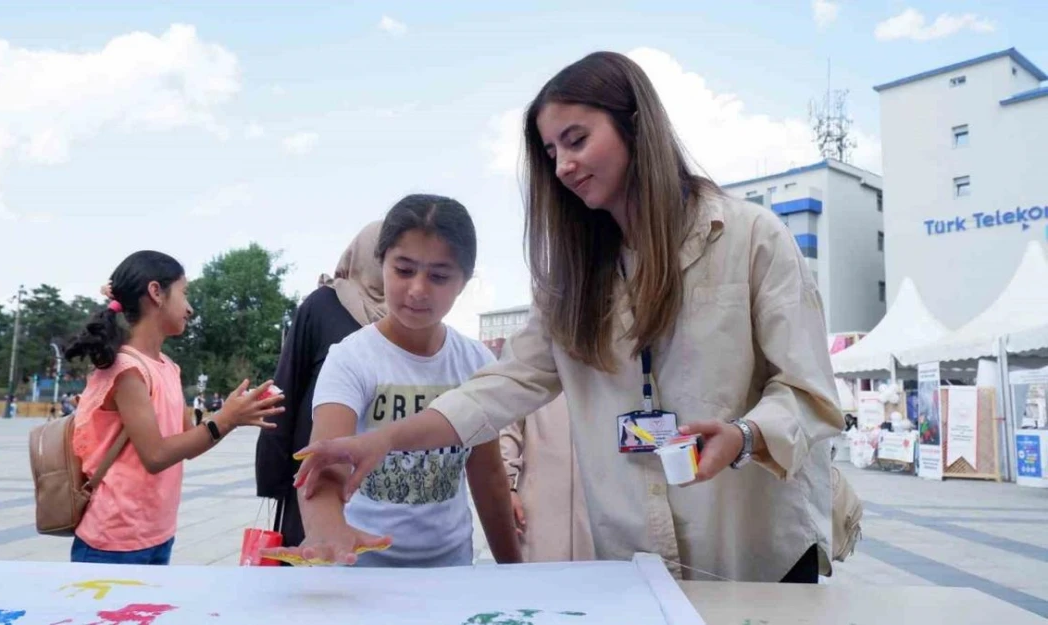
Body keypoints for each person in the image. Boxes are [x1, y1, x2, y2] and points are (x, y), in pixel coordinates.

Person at [291, 52, 844, 584]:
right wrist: (385, 441)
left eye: (576, 140)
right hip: (632, 559)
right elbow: (499, 388)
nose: (564, 165)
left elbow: (809, 392)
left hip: (752, 552)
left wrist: (744, 436)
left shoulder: (751, 238)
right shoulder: (572, 281)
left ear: (636, 125)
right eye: (552, 152)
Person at [263, 194, 520, 568]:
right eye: (404, 270)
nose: (417, 289)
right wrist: (328, 529)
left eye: (439, 276)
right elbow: (326, 461)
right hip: (365, 570)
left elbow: (488, 476)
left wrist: (514, 570)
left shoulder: (476, 361)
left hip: (451, 568)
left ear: (464, 282)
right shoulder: (351, 358)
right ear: (381, 263)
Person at [64, 250, 284, 565]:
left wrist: (234, 418)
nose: (190, 307)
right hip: (114, 540)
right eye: (184, 293)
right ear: (156, 293)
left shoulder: (167, 367)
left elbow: (186, 445)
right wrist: (224, 419)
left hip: (157, 533)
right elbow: (155, 456)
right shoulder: (127, 370)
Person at [254, 220, 387, 548]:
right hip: (318, 465)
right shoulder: (324, 304)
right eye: (383, 257)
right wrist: (275, 475)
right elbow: (286, 386)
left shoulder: (412, 319)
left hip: (379, 473)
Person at [500, 391, 594, 563]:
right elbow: (507, 428)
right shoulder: (533, 370)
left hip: (603, 508)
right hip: (540, 504)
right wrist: (506, 487)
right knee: (540, 581)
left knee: (604, 580)